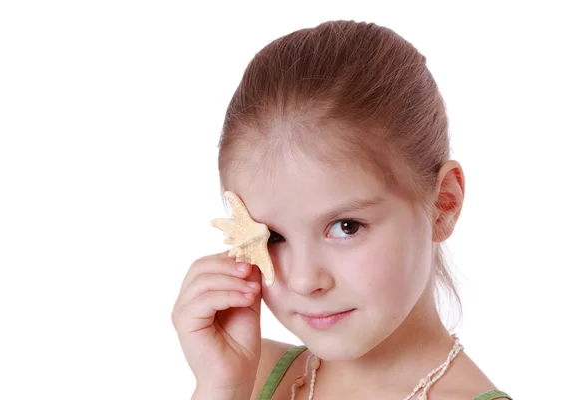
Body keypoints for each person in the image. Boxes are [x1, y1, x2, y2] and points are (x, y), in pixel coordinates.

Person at [172, 20, 512, 400]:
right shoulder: (248, 375)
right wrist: (222, 388)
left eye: (346, 226)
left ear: (443, 204)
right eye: (274, 237)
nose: (303, 281)